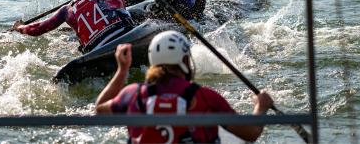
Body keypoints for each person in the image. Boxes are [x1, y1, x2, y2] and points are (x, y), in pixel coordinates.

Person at [95, 31, 274, 143]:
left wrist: (122, 69)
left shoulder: (132, 93)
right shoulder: (205, 97)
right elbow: (251, 133)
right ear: (186, 60)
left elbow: (100, 109)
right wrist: (261, 106)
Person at [12, 0, 134, 53]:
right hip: (127, 38)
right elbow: (121, 10)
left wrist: (20, 28)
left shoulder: (67, 10)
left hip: (96, 49)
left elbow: (39, 29)